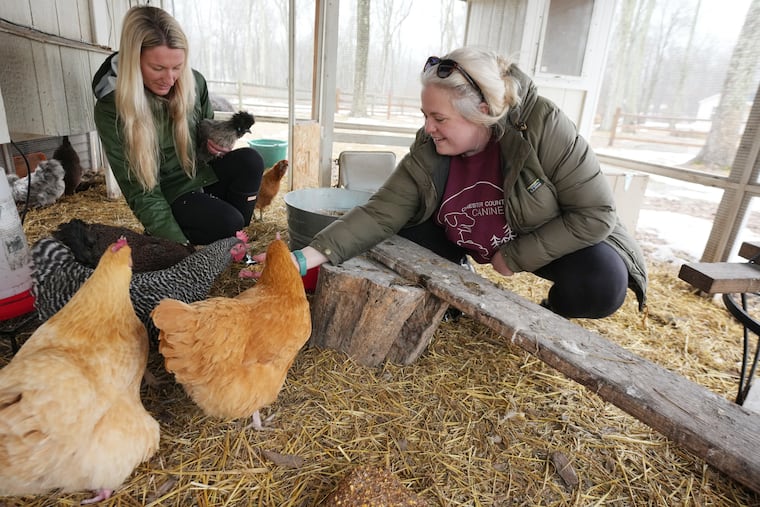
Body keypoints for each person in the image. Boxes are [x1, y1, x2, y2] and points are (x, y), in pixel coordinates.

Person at [260, 46, 648, 319]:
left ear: (481, 111)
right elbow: (380, 213)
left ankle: (550, 316)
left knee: (603, 282)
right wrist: (303, 257)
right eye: (425, 115)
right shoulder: (429, 145)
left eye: (439, 118)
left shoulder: (543, 125)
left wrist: (514, 257)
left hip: (546, 236)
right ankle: (454, 290)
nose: (428, 127)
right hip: (476, 236)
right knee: (403, 228)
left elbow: (597, 214)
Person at [92, 5, 264, 245]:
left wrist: (209, 145)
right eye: (158, 68)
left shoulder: (194, 82)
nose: (171, 78)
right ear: (133, 60)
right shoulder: (113, 108)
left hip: (197, 172)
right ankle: (212, 233)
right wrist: (177, 248)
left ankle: (232, 243)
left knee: (251, 161)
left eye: (177, 67)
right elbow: (140, 191)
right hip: (167, 193)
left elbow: (205, 133)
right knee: (228, 222)